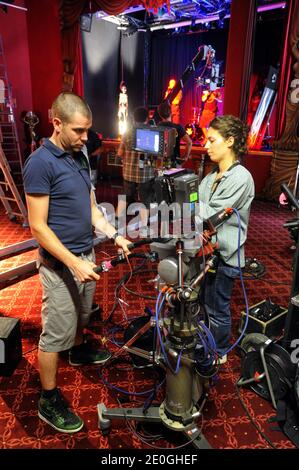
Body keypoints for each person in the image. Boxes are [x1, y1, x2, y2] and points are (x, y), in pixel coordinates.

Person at [23, 92, 131, 433]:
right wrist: (71, 262)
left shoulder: (79, 154)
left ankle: (79, 348)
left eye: (88, 130)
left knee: (83, 316)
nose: (86, 138)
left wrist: (114, 235)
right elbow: (38, 227)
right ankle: (48, 399)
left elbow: (90, 206)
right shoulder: (40, 163)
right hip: (60, 264)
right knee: (55, 333)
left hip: (85, 255)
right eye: (79, 130)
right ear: (57, 124)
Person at [198, 115, 255, 364]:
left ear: (230, 141)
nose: (206, 146)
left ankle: (218, 352)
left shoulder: (241, 177)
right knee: (201, 304)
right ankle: (203, 344)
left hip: (226, 256)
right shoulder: (210, 177)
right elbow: (195, 209)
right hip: (205, 252)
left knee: (217, 308)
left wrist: (190, 210)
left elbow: (210, 214)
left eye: (212, 140)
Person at [116, 106, 156, 235]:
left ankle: (117, 223)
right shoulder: (151, 132)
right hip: (146, 174)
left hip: (128, 172)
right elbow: (156, 156)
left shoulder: (127, 132)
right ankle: (144, 227)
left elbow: (120, 152)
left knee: (125, 198)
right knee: (146, 200)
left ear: (133, 118)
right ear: (147, 118)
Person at [157, 101, 192, 167]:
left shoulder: (156, 127)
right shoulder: (178, 127)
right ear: (171, 112)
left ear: (159, 114)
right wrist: (185, 157)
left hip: (159, 162)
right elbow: (189, 142)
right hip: (174, 162)